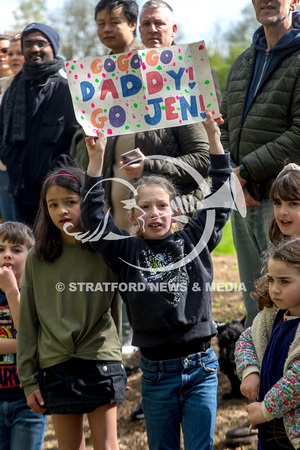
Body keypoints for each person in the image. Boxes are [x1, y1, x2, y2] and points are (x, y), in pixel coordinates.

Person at [80, 110, 232, 450]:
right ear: (134, 214)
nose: (154, 213)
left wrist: (214, 138)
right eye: (145, 207)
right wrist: (95, 160)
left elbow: (221, 196)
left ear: (174, 209)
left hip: (201, 368)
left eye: (161, 205)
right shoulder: (126, 251)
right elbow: (92, 217)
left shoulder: (195, 239)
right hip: (156, 372)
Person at [16, 166, 126, 450]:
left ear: (87, 201)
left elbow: (116, 310)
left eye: (70, 202)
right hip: (56, 365)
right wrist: (28, 381)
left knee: (107, 447)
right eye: (53, 205)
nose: (61, 210)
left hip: (101, 359)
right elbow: (27, 322)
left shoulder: (105, 250)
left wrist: (117, 363)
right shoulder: (36, 258)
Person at [220, 0, 300, 330]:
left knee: (290, 303)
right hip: (243, 199)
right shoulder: (242, 62)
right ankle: (262, 376)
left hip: (283, 205)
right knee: (257, 304)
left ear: (294, 1)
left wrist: (246, 171)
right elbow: (224, 126)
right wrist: (231, 174)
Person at [0, 23, 78, 227]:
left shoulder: (68, 89)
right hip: (18, 191)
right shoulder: (13, 90)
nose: (34, 49)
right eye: (28, 44)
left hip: (56, 194)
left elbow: (78, 142)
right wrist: (10, 158)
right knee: (23, 254)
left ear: (53, 47)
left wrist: (52, 173)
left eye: (41, 43)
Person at [235, 238, 300, 450]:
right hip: (269, 427)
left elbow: (297, 380)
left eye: (284, 281)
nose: (274, 289)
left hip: (293, 433)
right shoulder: (271, 318)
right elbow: (246, 339)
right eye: (271, 280)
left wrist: (265, 410)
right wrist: (250, 371)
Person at [0, 221, 47, 449]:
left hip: (28, 400)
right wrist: (25, 345)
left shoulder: (38, 294)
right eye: (0, 250)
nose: (7, 255)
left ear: (30, 256)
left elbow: (39, 344)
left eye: (16, 249)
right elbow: (31, 343)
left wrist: (11, 291)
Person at [0, 33, 24, 222]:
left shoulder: (53, 83)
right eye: (10, 53)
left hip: (19, 171)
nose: (11, 57)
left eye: (18, 52)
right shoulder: (5, 86)